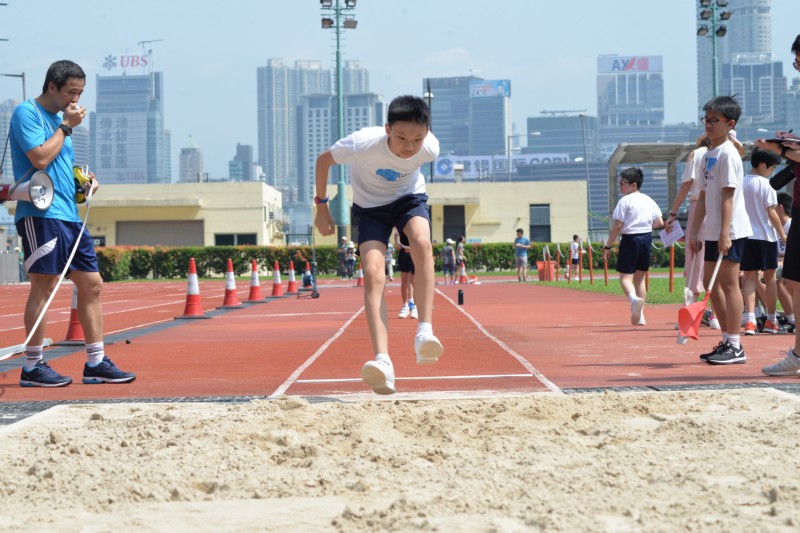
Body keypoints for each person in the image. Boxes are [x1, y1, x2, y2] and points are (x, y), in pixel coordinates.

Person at [9, 60, 135, 387]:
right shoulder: (28, 113)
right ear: (52, 86)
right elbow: (39, 157)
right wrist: (65, 127)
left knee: (92, 285)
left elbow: (59, 163)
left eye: (80, 93)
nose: (76, 100)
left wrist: (84, 181)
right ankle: (33, 366)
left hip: (69, 216)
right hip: (41, 215)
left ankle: (96, 361)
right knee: (44, 285)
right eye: (71, 92)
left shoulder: (58, 120)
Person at [313, 95, 442, 395]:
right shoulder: (362, 143)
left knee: (422, 242)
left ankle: (425, 332)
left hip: (408, 200)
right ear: (387, 129)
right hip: (369, 209)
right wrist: (321, 206)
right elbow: (323, 161)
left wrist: (403, 227)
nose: (409, 147)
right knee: (373, 274)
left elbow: (420, 147)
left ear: (427, 134)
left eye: (417, 139)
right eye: (401, 138)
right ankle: (383, 361)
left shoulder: (430, 148)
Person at [688, 95, 752, 365]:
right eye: (707, 120)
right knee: (711, 286)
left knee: (728, 283)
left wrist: (725, 233)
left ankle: (736, 345)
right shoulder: (707, 155)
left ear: (730, 123)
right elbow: (702, 197)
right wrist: (694, 231)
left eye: (715, 120)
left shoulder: (728, 153)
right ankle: (726, 339)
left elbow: (728, 196)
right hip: (712, 230)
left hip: (732, 230)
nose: (709, 125)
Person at [665, 134, 719, 330]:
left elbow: (686, 185)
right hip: (720, 209)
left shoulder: (696, 155)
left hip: (699, 207)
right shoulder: (724, 153)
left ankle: (691, 314)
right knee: (714, 259)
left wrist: (673, 212)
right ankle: (714, 315)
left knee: (695, 258)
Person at [603, 167, 664, 326]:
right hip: (646, 239)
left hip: (630, 239)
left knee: (625, 277)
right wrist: (644, 225)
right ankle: (640, 316)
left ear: (633, 185)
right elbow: (660, 222)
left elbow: (617, 226)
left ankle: (633, 300)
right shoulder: (649, 200)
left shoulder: (625, 201)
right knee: (640, 278)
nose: (620, 186)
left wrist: (608, 246)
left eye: (622, 183)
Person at [740, 148, 786, 335]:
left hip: (746, 236)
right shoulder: (767, 186)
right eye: (772, 168)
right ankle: (771, 320)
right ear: (763, 165)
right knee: (770, 278)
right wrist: (783, 235)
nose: (772, 172)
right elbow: (772, 213)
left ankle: (750, 320)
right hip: (765, 237)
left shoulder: (740, 183)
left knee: (749, 277)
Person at [775, 192, 794, 331]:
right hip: (781, 262)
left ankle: (792, 318)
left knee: (778, 279)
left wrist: (782, 261)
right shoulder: (776, 227)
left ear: (780, 208)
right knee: (751, 275)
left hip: (791, 264)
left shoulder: (791, 224)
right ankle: (760, 314)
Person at [394, 229, 417, 319]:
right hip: (403, 251)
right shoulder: (399, 218)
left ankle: (416, 305)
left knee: (413, 280)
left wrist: (413, 248)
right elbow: (396, 233)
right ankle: (405, 305)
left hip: (415, 251)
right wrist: (396, 242)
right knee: (404, 280)